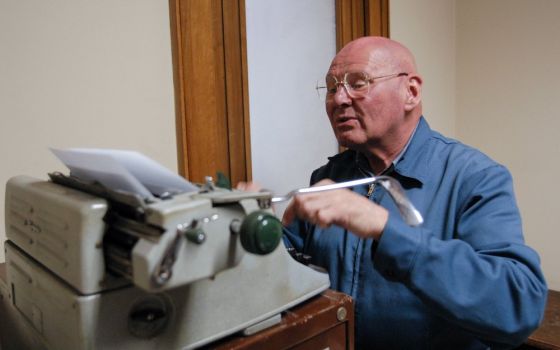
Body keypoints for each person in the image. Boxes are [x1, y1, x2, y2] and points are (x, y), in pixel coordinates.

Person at [239, 36, 547, 349]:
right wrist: (258, 230)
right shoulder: (330, 177)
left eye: (357, 83)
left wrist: (386, 229)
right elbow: (294, 270)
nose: (338, 99)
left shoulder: (474, 177)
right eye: (332, 88)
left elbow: (518, 307)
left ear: (411, 92)